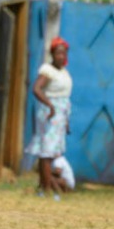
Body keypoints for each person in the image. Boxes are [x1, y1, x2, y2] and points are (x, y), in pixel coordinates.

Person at [26, 37, 73, 201]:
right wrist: (50, 106)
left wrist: (66, 120)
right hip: (50, 115)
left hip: (60, 116)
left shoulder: (64, 71)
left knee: (52, 152)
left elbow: (64, 97)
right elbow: (36, 89)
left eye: (64, 53)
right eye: (58, 53)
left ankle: (42, 186)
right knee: (46, 152)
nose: (61, 56)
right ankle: (46, 189)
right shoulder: (47, 70)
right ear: (52, 54)